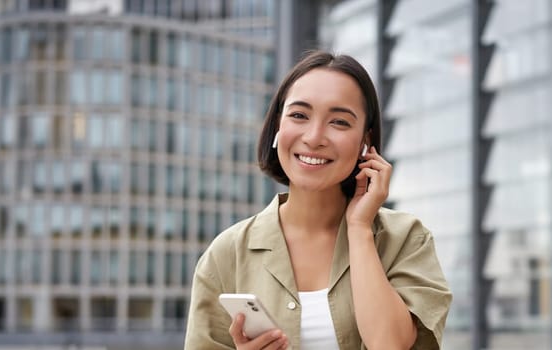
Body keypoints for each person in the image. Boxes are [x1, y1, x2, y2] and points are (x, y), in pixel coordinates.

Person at [184, 50, 452, 350]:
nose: (314, 137)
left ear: (366, 141)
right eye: (299, 115)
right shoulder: (227, 254)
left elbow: (389, 345)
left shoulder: (405, 240)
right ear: (277, 127)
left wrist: (360, 228)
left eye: (339, 122)